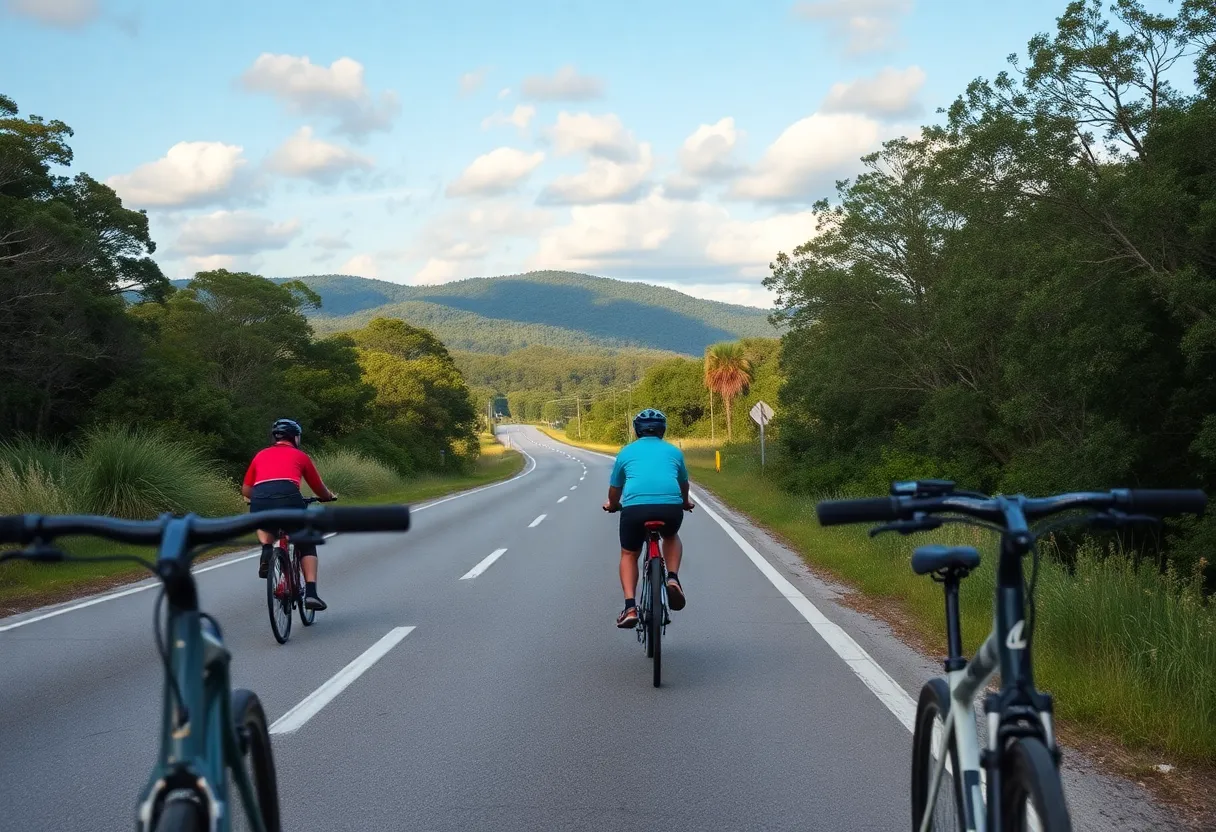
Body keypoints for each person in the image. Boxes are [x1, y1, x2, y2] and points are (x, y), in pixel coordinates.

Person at [602, 408, 695, 628]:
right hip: (670, 508)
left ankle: (630, 607)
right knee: (670, 536)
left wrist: (613, 505)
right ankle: (672, 578)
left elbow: (615, 489)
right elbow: (684, 485)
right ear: (663, 430)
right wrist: (684, 502)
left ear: (637, 431)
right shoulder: (674, 452)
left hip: (635, 509)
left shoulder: (625, 452)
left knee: (629, 553)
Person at [242, 418, 337, 611]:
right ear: (295, 437)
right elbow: (317, 487)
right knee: (306, 541)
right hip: (289, 498)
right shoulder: (300, 456)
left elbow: (246, 489)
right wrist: (327, 497)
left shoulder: (260, 455)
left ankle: (267, 550)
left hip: (260, 499)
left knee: (264, 521)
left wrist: (259, 497)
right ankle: (311, 594)